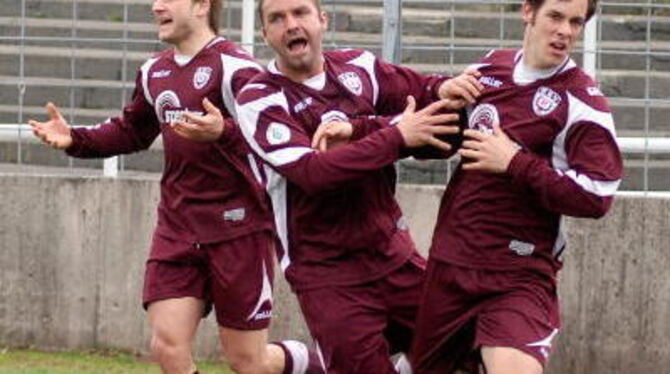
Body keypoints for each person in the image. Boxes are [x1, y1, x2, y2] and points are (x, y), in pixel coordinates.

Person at [28, 0, 321, 373]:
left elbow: (277, 140)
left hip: (239, 230)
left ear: (202, 6)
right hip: (178, 228)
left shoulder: (237, 68)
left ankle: (322, 366)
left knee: (250, 362)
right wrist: (75, 138)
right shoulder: (154, 71)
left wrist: (224, 131)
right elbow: (132, 131)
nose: (156, 6)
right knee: (167, 347)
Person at [232, 0, 482, 372]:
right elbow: (314, 173)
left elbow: (424, 93)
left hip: (392, 253)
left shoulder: (359, 67)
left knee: (470, 342)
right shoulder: (258, 97)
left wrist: (448, 88)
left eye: (300, 13)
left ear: (322, 20)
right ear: (266, 33)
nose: (290, 25)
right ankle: (307, 363)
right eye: (277, 19)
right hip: (327, 273)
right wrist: (397, 135)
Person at [410, 0, 624, 373]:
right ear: (528, 11)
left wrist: (515, 163)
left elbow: (597, 194)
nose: (565, 31)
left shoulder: (582, 101)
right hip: (452, 263)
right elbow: (439, 138)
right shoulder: (488, 70)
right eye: (555, 17)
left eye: (575, 22)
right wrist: (381, 131)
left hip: (519, 273)